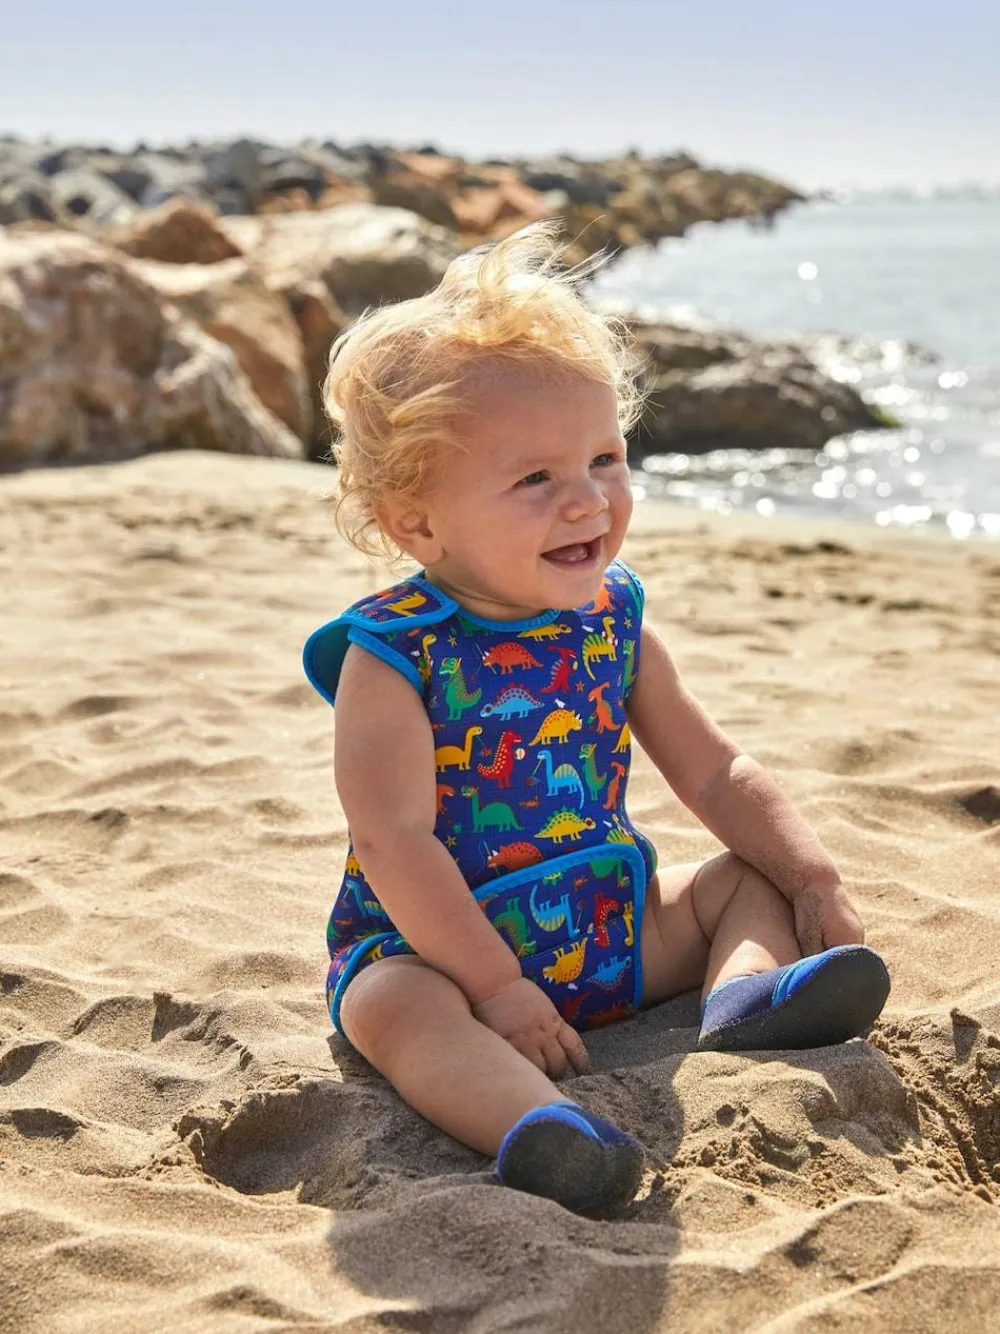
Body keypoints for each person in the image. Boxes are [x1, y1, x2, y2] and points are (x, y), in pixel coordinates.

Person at [302, 223, 890, 1215]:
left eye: (605, 458)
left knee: (742, 879)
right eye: (534, 479)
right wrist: (495, 987)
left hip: (606, 929)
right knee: (391, 1007)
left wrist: (810, 875)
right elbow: (393, 843)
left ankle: (743, 996)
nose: (587, 501)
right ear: (417, 521)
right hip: (444, 955)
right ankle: (541, 1125)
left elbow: (713, 771)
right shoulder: (394, 655)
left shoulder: (612, 618)